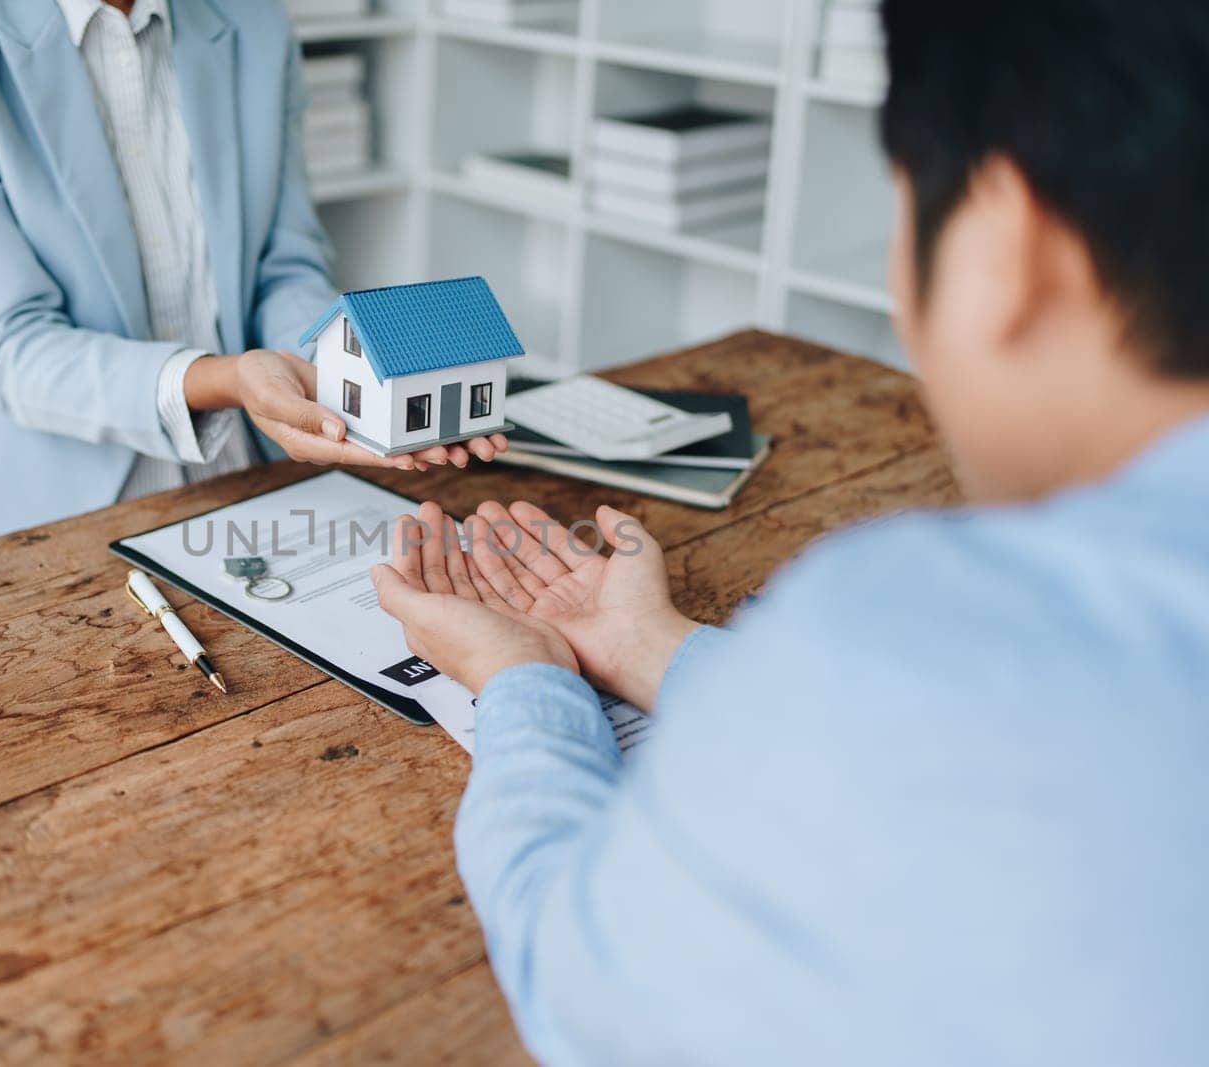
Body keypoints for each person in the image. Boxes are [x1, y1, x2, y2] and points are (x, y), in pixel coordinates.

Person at [371, 1, 1209, 1063]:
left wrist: (523, 680)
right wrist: (645, 647)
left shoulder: (908, 619)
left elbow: (583, 987)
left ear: (1008, 246)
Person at [0, 0, 504, 565]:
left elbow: (285, 264)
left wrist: (340, 382)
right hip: (42, 514)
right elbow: (9, 345)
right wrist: (229, 380)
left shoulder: (251, 16)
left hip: (246, 487)